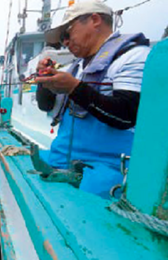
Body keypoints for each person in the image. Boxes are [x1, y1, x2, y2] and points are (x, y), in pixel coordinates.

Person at [35, 0, 150, 199]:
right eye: (62, 39)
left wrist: (74, 88)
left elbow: (126, 115)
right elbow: (45, 105)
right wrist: (43, 80)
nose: (65, 42)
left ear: (94, 20)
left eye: (66, 34)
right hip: (64, 161)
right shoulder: (75, 68)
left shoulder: (134, 57)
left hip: (107, 170)